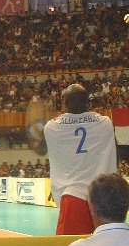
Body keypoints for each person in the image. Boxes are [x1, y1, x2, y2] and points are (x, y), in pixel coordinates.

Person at [44, 83, 117, 235]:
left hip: (73, 198)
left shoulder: (52, 128)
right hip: (102, 199)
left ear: (64, 103)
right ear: (89, 103)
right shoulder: (105, 124)